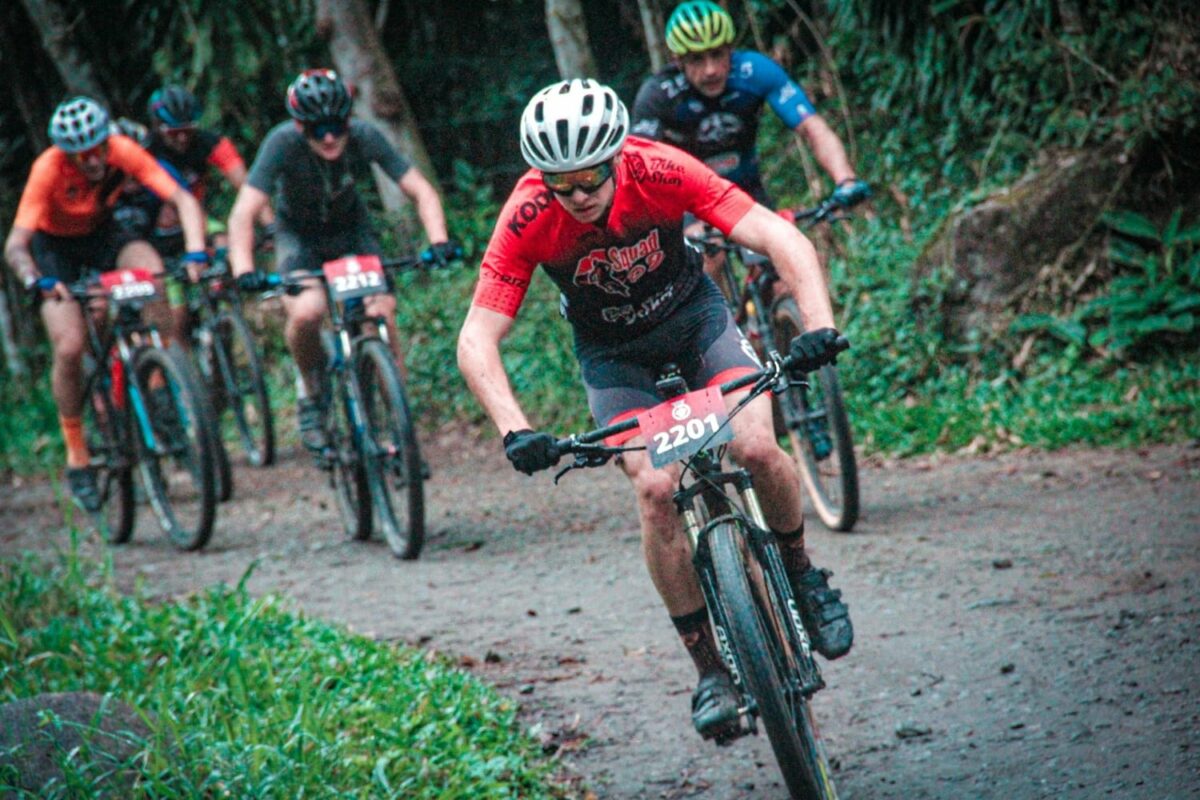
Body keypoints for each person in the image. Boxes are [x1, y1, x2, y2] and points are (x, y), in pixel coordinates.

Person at [456, 79, 854, 742]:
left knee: (755, 447)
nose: (578, 195)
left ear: (615, 157)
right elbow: (476, 336)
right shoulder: (528, 215)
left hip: (695, 322)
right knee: (655, 489)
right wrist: (513, 428)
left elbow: (774, 236)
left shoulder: (660, 167)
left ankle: (804, 574)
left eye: (589, 177)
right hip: (616, 360)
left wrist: (816, 323)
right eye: (561, 182)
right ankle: (710, 672)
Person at [227, 69, 458, 454]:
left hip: (352, 234)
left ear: (348, 121)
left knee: (381, 312)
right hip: (298, 238)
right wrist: (243, 269)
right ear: (301, 127)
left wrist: (439, 241)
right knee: (307, 311)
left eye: (337, 126)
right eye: (319, 130)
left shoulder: (365, 135)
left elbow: (421, 190)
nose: (330, 137)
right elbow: (243, 213)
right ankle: (312, 393)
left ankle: (399, 423)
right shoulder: (281, 143)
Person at [4, 96, 209, 511]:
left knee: (152, 274)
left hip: (102, 234)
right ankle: (77, 453)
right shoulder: (47, 169)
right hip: (54, 249)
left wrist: (196, 252)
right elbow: (15, 245)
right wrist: (35, 279)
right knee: (70, 345)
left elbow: (185, 201)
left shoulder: (123, 149)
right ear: (66, 153)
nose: (92, 160)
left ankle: (159, 380)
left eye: (96, 148)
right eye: (80, 154)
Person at [631, 0, 870, 272]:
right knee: (708, 258)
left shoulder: (755, 72)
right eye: (697, 59)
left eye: (718, 54)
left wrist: (845, 179)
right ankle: (713, 314)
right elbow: (637, 166)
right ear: (678, 61)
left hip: (746, 190)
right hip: (688, 199)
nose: (710, 69)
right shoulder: (657, 95)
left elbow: (811, 127)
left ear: (731, 50)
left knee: (784, 272)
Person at [144, 84, 275, 249]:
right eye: (174, 132)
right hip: (152, 228)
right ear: (157, 127)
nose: (183, 138)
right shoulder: (144, 150)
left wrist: (271, 227)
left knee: (224, 246)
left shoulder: (210, 143)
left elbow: (249, 187)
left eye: (188, 130)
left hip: (199, 221)